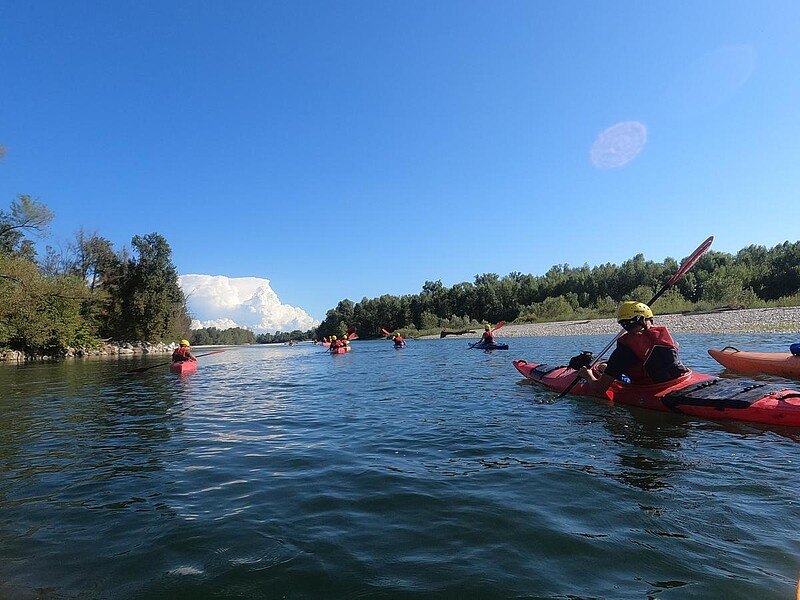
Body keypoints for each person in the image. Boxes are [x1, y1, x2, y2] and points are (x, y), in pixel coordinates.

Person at [577, 301, 687, 393]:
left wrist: (588, 375)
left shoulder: (623, 352)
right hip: (678, 379)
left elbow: (599, 389)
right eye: (650, 320)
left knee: (607, 369)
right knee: (605, 367)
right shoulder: (665, 338)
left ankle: (604, 369)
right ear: (643, 320)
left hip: (650, 389)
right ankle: (604, 368)